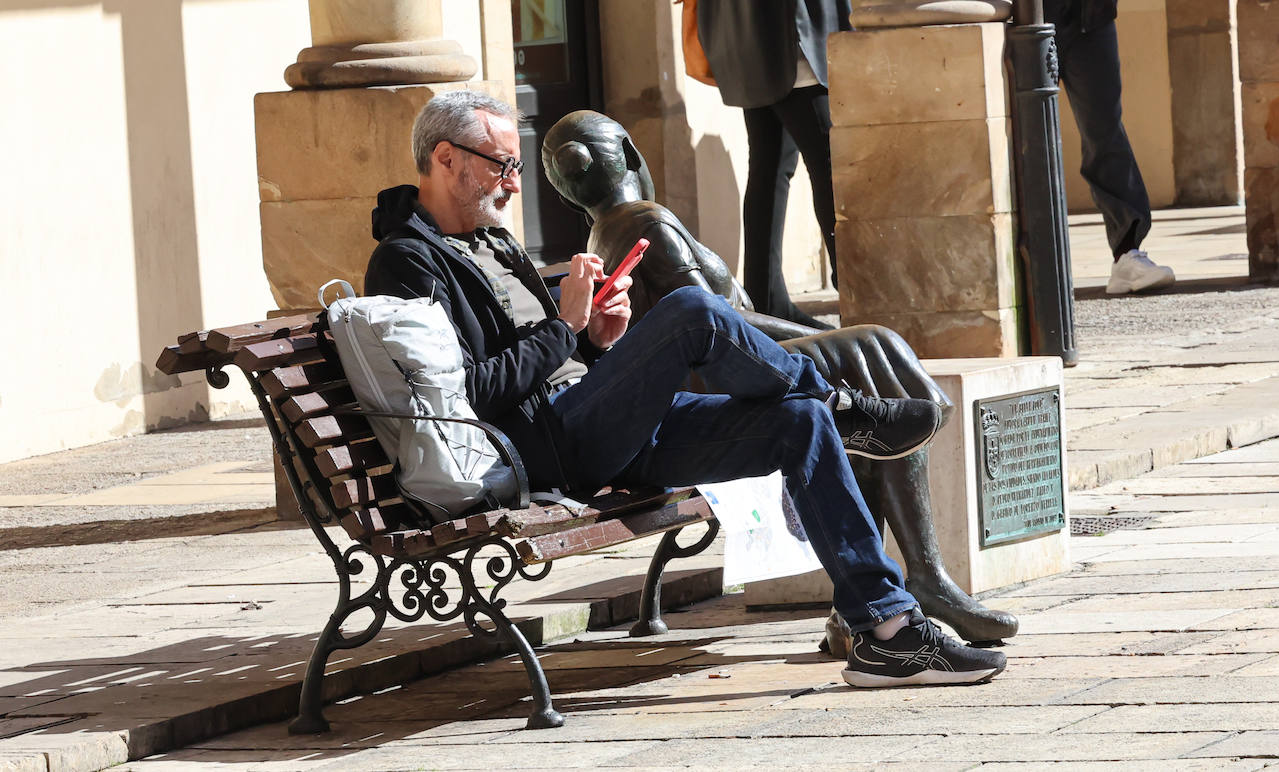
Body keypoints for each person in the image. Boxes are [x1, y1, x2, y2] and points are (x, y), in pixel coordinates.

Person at [365, 90, 1009, 687]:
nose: (513, 183)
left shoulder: (493, 245)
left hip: (596, 419)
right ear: (445, 159)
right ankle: (844, 407)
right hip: (545, 447)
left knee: (799, 423)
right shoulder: (407, 261)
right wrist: (566, 325)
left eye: (515, 167)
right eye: (502, 165)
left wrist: (596, 337)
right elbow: (468, 395)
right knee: (691, 313)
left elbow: (552, 356)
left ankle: (888, 632)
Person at [542, 108, 1020, 646]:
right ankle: (923, 575)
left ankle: (872, 599)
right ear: (631, 154)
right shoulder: (644, 221)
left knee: (855, 369)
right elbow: (717, 320)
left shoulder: (604, 233)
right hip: (712, 380)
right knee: (870, 349)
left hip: (685, 386)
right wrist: (816, 335)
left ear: (564, 194)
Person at [685, 0, 864, 326]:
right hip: (794, 41)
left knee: (769, 168)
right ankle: (862, 292)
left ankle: (767, 300)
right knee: (830, 166)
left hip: (746, 42)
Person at [988, 0, 1174, 294]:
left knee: (1103, 129)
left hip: (1088, 12)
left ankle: (1128, 253)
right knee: (1026, 135)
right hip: (1028, 14)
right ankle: (1026, 262)